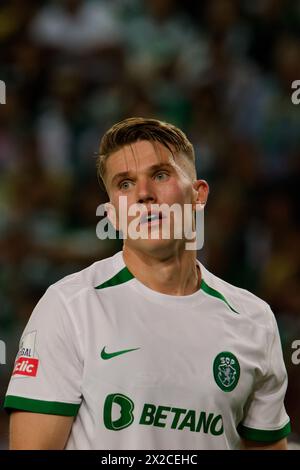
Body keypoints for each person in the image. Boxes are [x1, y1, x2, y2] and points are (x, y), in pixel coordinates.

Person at [4, 117, 291, 450]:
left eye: (160, 175)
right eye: (125, 184)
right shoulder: (70, 307)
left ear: (198, 195)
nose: (143, 194)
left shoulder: (254, 320)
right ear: (112, 214)